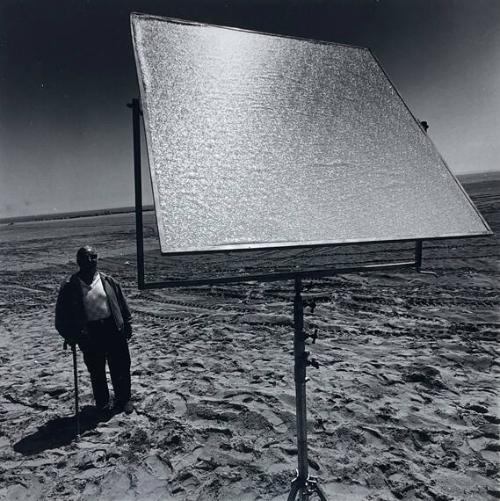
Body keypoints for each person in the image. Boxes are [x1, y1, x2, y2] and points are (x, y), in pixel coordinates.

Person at [55, 246, 134, 414]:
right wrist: (70, 335)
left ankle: (124, 399)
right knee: (96, 370)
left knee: (120, 366)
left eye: (94, 257)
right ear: (78, 262)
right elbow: (61, 316)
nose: (91, 261)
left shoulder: (108, 280)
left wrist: (127, 323)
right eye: (86, 257)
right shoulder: (70, 286)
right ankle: (103, 403)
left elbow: (121, 304)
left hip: (113, 328)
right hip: (89, 333)